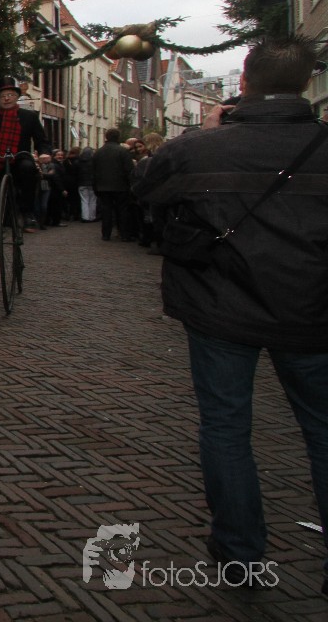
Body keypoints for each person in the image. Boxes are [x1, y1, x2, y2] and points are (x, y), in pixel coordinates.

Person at [134, 35, 328, 589]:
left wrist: (208, 134)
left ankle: (240, 555)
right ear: (306, 83)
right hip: (312, 311)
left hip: (221, 307)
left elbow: (145, 191)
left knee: (226, 427)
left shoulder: (200, 149)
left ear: (243, 83)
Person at [0, 77, 51, 261]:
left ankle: (27, 212)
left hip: (19, 159)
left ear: (16, 97)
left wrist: (44, 153)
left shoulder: (29, 117)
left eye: (10, 95)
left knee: (29, 169)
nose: (6, 98)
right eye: (3, 95)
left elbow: (41, 140)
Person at [92, 128, 135, 241]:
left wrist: (95, 186)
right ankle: (124, 235)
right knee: (122, 210)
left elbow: (93, 171)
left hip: (103, 187)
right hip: (121, 186)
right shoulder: (123, 152)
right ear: (118, 137)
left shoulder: (98, 152)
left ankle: (106, 234)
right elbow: (129, 170)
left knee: (106, 210)